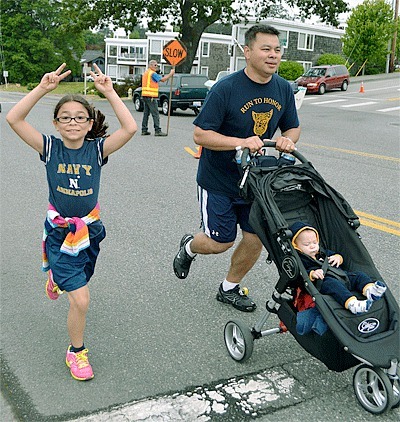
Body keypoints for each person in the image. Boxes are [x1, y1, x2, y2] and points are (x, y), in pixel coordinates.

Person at [6, 63, 138, 381]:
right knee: (81, 298)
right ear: (56, 122)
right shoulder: (50, 148)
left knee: (80, 280)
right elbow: (13, 118)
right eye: (65, 117)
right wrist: (42, 88)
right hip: (60, 233)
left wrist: (108, 91)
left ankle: (56, 277)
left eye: (80, 117)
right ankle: (75, 352)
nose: (73, 122)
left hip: (90, 231)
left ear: (90, 122)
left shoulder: (96, 150)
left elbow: (130, 128)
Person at [173, 24, 301, 312]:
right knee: (220, 242)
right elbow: (201, 135)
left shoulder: (282, 88)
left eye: (277, 50)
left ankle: (228, 287)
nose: (273, 55)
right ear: (247, 52)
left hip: (256, 181)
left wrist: (286, 140)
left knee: (256, 237)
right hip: (219, 180)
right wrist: (240, 142)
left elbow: (292, 126)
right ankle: (190, 247)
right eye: (266, 49)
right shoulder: (225, 89)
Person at [290, 222, 387, 314]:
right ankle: (352, 304)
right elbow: (300, 275)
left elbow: (336, 256)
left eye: (315, 243)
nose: (312, 246)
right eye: (307, 244)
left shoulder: (322, 253)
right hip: (324, 282)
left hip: (343, 276)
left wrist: (338, 258)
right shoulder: (301, 260)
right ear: (296, 246)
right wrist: (312, 274)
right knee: (334, 285)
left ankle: (370, 290)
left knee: (359, 275)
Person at [141, 60, 175, 136]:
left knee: (146, 113)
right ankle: (157, 130)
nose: (157, 67)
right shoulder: (153, 74)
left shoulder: (146, 73)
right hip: (151, 96)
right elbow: (162, 80)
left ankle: (144, 129)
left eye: (157, 65)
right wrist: (171, 74)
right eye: (155, 65)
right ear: (150, 66)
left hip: (145, 95)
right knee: (155, 114)